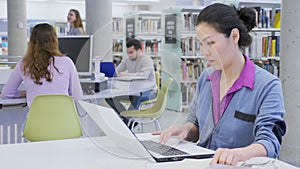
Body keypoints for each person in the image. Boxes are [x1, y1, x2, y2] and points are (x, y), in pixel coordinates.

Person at [153, 3, 286, 166]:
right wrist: (185, 130)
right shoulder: (205, 78)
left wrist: (240, 154)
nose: (204, 52)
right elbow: (194, 125)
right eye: (201, 44)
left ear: (234, 36)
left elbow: (270, 143)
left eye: (211, 43)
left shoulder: (267, 86)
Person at [1, 23, 83, 107]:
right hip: (64, 119)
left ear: (32, 42)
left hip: (36, 120)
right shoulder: (67, 62)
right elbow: (78, 97)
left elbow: (6, 94)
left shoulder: (24, 64)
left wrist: (27, 93)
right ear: (55, 41)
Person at [105, 38, 156, 125]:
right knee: (109, 97)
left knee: (136, 96)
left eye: (131, 52)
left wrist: (127, 75)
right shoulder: (128, 60)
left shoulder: (147, 60)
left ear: (139, 50)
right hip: (132, 91)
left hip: (149, 92)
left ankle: (127, 125)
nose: (129, 55)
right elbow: (117, 71)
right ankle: (128, 119)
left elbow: (144, 76)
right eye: (128, 52)